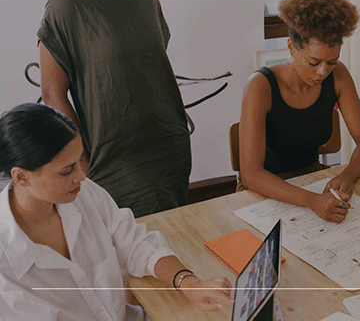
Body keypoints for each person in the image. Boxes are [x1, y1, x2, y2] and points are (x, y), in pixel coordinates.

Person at [0, 103, 232, 321]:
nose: (81, 176)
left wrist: (188, 283)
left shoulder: (82, 193)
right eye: (66, 170)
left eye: (80, 160)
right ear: (21, 176)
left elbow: (135, 244)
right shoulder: (5, 262)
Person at [38, 0, 191, 217]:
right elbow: (53, 92)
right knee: (126, 246)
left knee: (173, 235)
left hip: (167, 143)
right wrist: (79, 158)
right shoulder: (68, 2)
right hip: (112, 154)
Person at [238, 0, 360, 223]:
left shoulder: (338, 76)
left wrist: (348, 175)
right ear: (292, 47)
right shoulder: (260, 85)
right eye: (314, 62)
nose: (323, 72)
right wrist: (312, 201)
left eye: (331, 62)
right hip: (264, 191)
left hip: (311, 181)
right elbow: (251, 175)